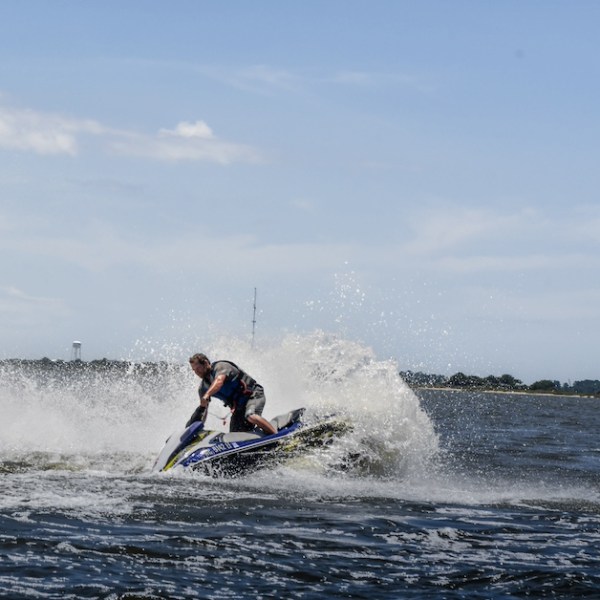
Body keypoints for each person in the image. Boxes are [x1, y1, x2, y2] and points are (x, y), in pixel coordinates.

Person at [187, 353, 277, 436]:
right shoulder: (203, 388)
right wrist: (197, 426)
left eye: (198, 368)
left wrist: (207, 395)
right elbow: (204, 409)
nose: (196, 372)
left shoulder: (221, 366)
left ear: (206, 363)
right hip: (239, 407)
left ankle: (278, 438)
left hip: (254, 395)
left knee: (251, 416)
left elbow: (219, 382)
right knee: (235, 436)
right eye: (194, 370)